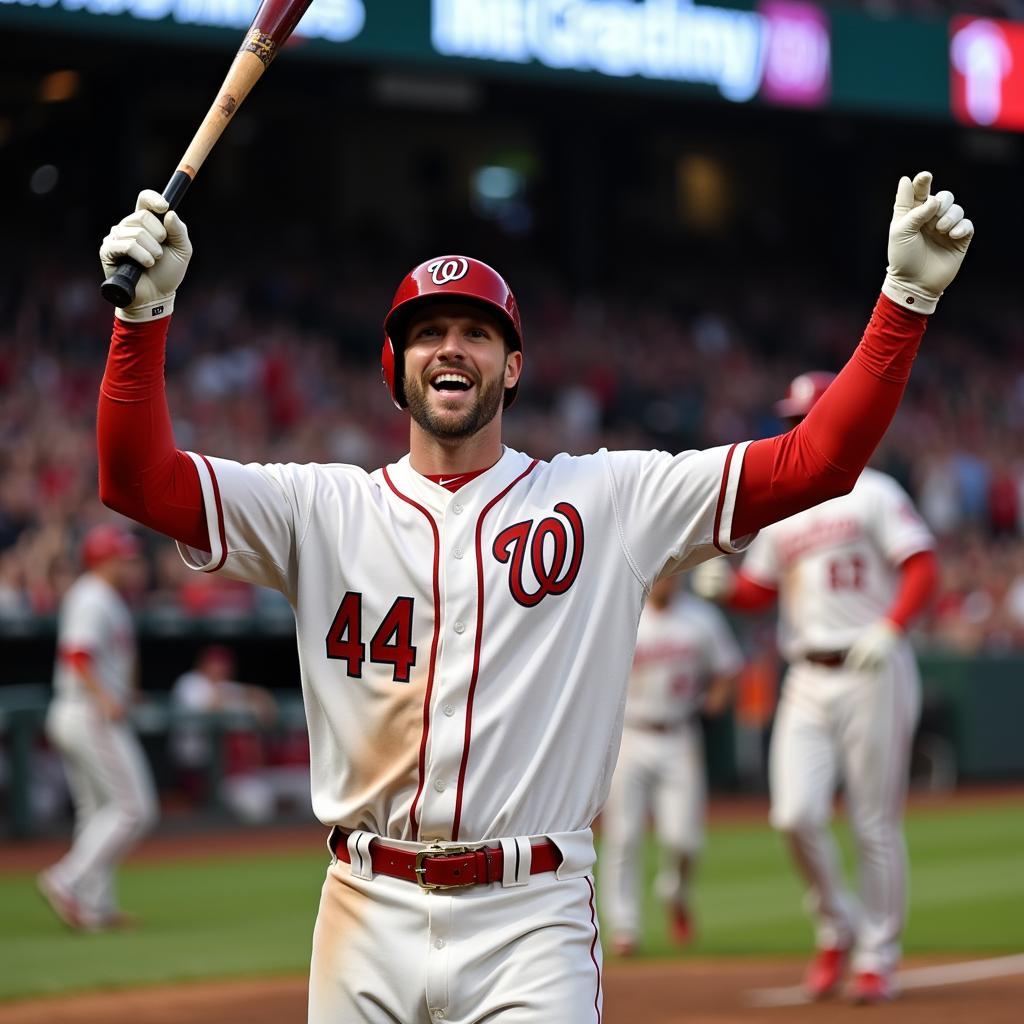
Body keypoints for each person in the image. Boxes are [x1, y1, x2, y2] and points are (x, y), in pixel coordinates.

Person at [95, 171, 971, 1022]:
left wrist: (903, 301)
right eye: (428, 330)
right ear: (393, 364)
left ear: (512, 367)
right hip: (362, 908)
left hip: (531, 914)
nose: (450, 347)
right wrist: (141, 320)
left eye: (476, 334)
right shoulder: (319, 507)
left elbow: (816, 461)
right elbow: (136, 480)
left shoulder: (606, 499)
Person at [693, 370, 941, 1005]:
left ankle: (878, 956)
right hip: (805, 673)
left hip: (873, 669)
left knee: (873, 822)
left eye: (805, 416)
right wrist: (730, 590)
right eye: (792, 419)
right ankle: (838, 925)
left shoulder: (875, 491)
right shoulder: (785, 507)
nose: (795, 428)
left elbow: (922, 564)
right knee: (794, 813)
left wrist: (890, 628)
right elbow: (764, 590)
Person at [599, 574, 743, 956]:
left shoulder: (701, 617)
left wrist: (716, 698)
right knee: (623, 835)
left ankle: (675, 891)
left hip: (679, 733)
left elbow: (728, 669)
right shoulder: (626, 613)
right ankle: (624, 926)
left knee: (684, 839)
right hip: (631, 733)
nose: (668, 580)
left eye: (674, 573)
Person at [37, 524, 159, 931]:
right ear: (104, 558)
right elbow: (76, 654)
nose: (131, 563)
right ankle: (66, 878)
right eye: (123, 557)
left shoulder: (105, 597)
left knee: (96, 813)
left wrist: (123, 691)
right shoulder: (91, 596)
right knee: (134, 809)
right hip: (89, 711)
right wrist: (106, 696)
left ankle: (94, 908)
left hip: (81, 710)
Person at [170, 645, 307, 824]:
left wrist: (261, 700)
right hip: (195, 764)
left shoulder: (225, 686)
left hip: (227, 768)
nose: (220, 669)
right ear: (203, 665)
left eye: (223, 665)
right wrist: (238, 701)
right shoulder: (190, 683)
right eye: (215, 664)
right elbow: (210, 706)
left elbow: (255, 694)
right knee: (251, 805)